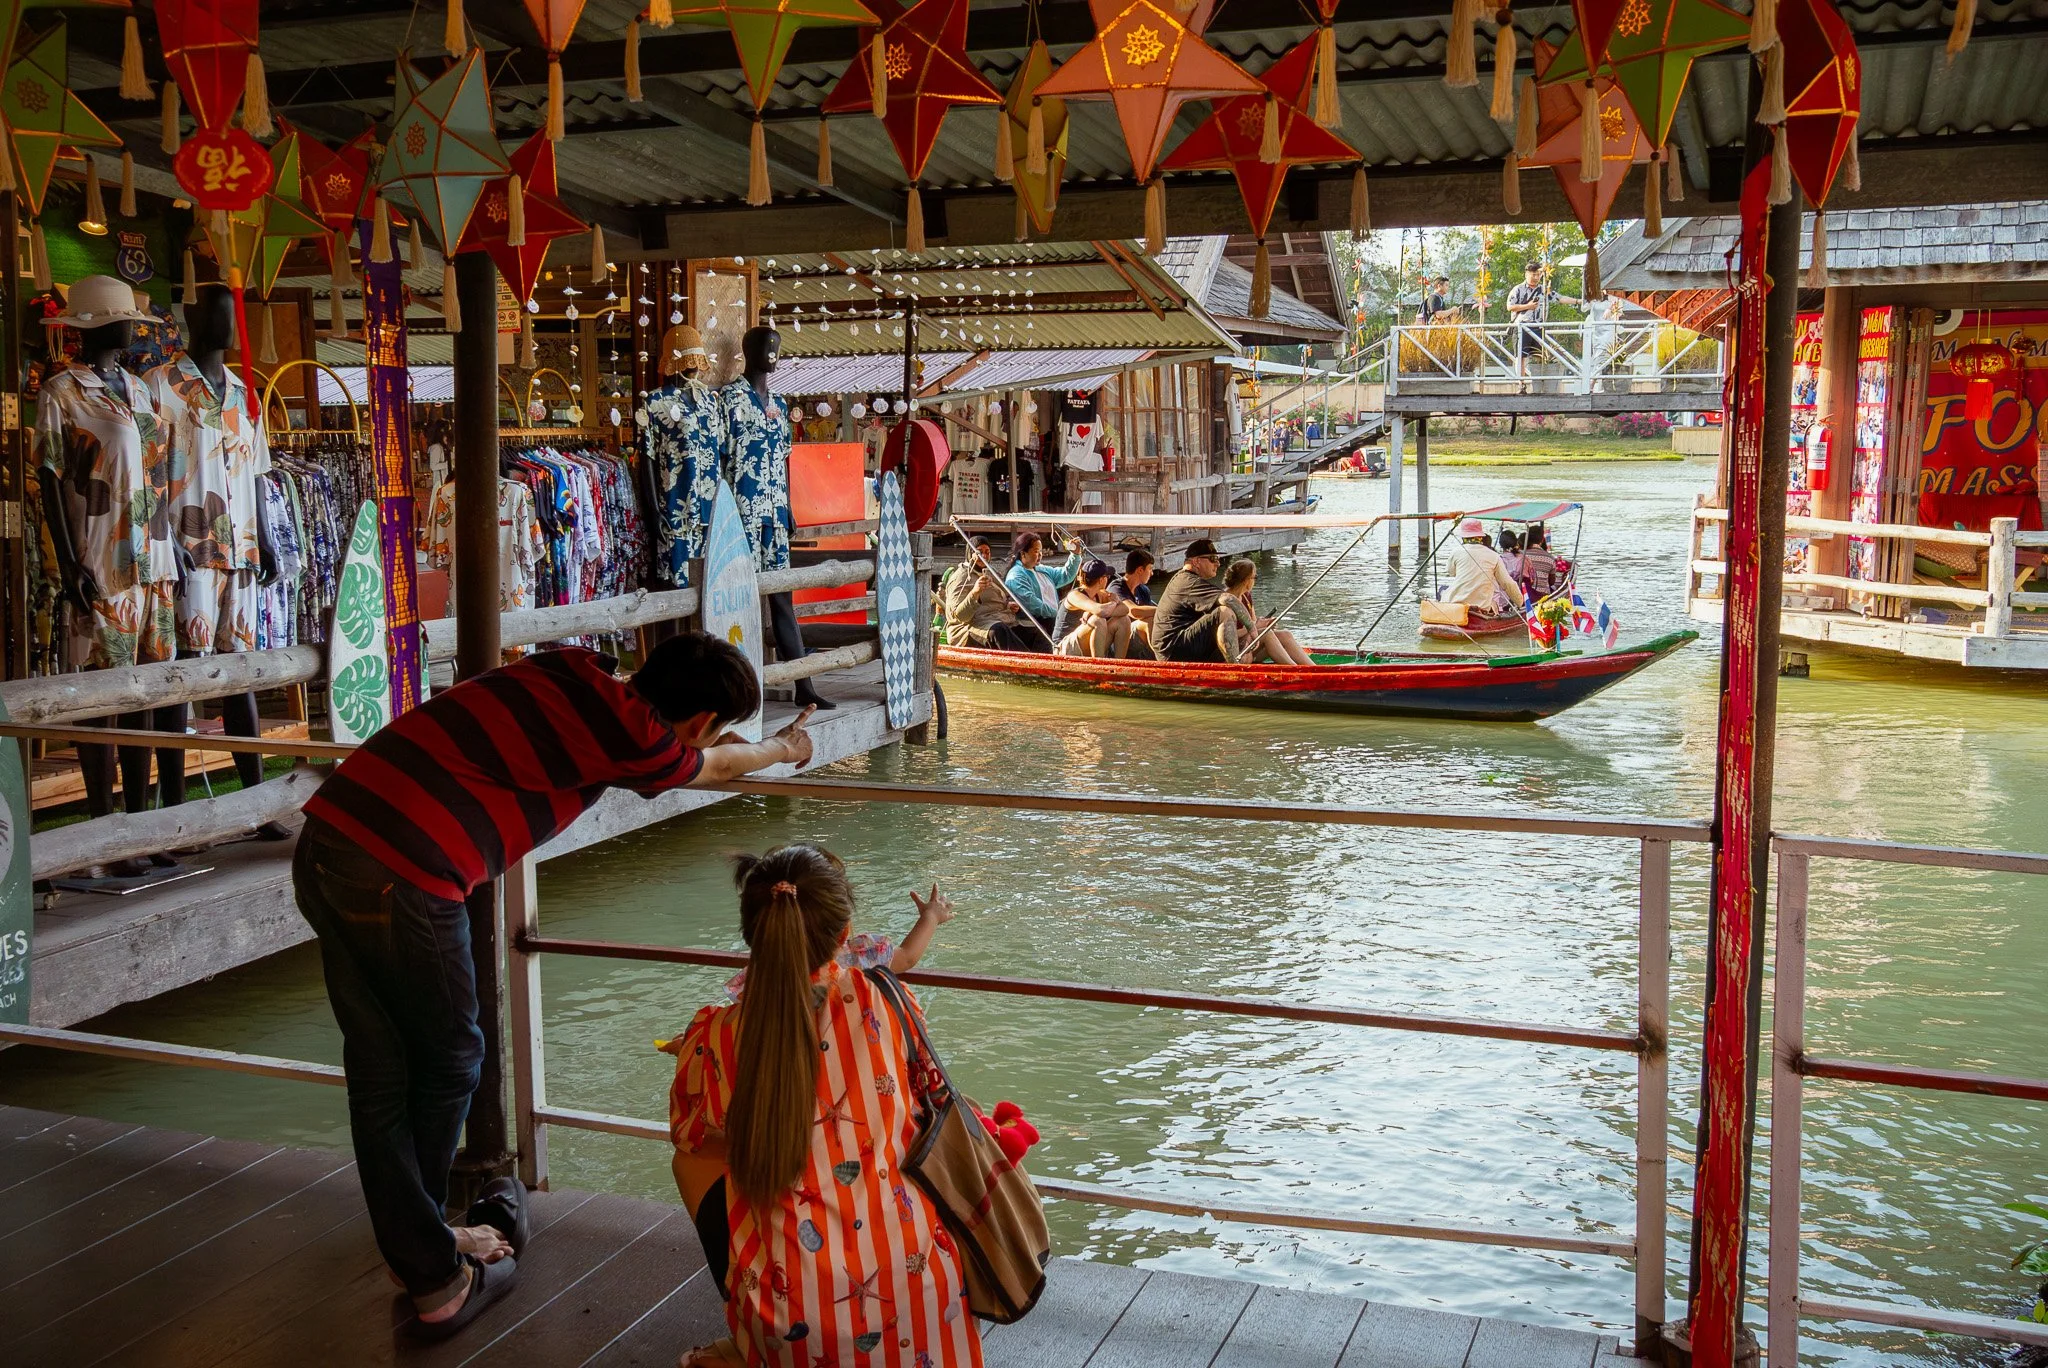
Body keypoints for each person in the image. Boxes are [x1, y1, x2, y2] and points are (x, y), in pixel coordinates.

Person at [293, 633, 816, 1339]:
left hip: (330, 840)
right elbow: (715, 765)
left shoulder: (570, 668)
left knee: (384, 1067)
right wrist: (785, 749)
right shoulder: (636, 735)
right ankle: (433, 1271)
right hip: (402, 872)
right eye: (708, 728)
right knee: (451, 1059)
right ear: (696, 723)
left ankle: (418, 1248)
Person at [667, 845, 984, 1368]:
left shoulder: (718, 1034)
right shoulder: (886, 999)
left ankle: (749, 1333)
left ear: (753, 934)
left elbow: (690, 1131)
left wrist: (699, 1058)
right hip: (923, 1294)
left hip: (789, 1317)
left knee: (695, 1158)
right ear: (843, 936)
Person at [943, 536, 1042, 651]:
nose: (984, 556)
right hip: (968, 629)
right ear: (970, 553)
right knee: (998, 631)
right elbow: (960, 617)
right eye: (979, 553)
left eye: (987, 552)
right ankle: (1027, 666)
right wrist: (975, 592)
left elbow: (1002, 595)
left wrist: (1008, 604)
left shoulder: (991, 572)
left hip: (998, 618)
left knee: (1033, 632)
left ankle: (1049, 665)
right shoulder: (960, 578)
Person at [1151, 538, 1241, 663]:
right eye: (1213, 559)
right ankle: (1234, 670)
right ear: (1197, 561)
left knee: (1261, 635)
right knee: (1224, 612)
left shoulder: (1187, 579)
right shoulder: (1188, 582)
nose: (1218, 564)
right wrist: (1251, 628)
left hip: (1179, 645)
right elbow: (1228, 599)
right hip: (1173, 649)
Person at [1222, 559, 1315, 666]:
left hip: (1250, 644)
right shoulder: (1226, 600)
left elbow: (1253, 622)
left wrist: (1265, 623)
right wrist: (1256, 626)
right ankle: (1294, 669)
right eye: (1254, 577)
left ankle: (1314, 668)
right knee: (1267, 634)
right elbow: (1226, 635)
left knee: (1285, 634)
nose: (1254, 581)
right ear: (1246, 580)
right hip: (1234, 652)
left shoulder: (1246, 596)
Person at [1003, 530, 1080, 643]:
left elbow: (1065, 574)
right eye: (1036, 551)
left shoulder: (1041, 569)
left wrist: (1075, 555)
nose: (1040, 555)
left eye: (1040, 551)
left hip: (1053, 616)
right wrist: (1058, 614)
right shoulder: (1016, 575)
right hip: (1037, 621)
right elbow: (1032, 604)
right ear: (1023, 553)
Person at [1443, 518, 1527, 617]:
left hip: (1455, 605)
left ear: (1463, 537)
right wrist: (1520, 602)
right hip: (1481, 607)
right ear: (1480, 537)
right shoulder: (1493, 556)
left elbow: (1451, 572)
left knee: (1443, 590)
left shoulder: (1456, 552)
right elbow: (1507, 583)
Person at [1053, 559, 1135, 658]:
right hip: (1063, 648)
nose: (1108, 579)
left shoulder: (1101, 594)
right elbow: (1100, 611)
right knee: (1098, 620)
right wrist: (1113, 602)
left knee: (1124, 620)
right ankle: (1099, 667)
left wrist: (1094, 612)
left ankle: (1119, 665)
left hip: (1083, 644)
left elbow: (1125, 609)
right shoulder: (1074, 595)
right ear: (1101, 580)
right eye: (1107, 577)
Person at [1110, 549, 1159, 656]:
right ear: (1140, 570)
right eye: (1150, 569)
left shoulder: (1144, 590)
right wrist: (1166, 609)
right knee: (1149, 622)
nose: (1152, 573)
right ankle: (1162, 660)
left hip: (1137, 640)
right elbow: (1133, 611)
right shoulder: (1116, 587)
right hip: (1116, 641)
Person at [1522, 523, 1562, 597]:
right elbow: (1551, 582)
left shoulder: (1520, 555)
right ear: (1542, 539)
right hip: (1543, 596)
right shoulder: (1550, 558)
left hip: (1523, 595)